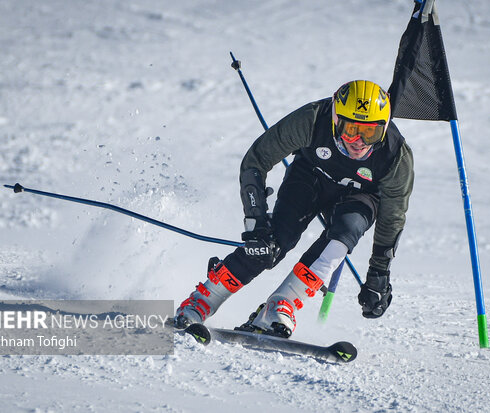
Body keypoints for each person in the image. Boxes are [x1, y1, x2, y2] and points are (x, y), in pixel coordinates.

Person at [174, 80, 414, 338]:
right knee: (271, 244)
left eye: (370, 133)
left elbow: (393, 217)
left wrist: (378, 274)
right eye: (351, 129)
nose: (358, 141)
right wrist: (256, 222)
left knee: (344, 236)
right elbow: (256, 161)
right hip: (310, 177)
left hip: (361, 195)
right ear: (335, 118)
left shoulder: (395, 156)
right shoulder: (313, 119)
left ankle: (282, 303)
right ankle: (203, 299)